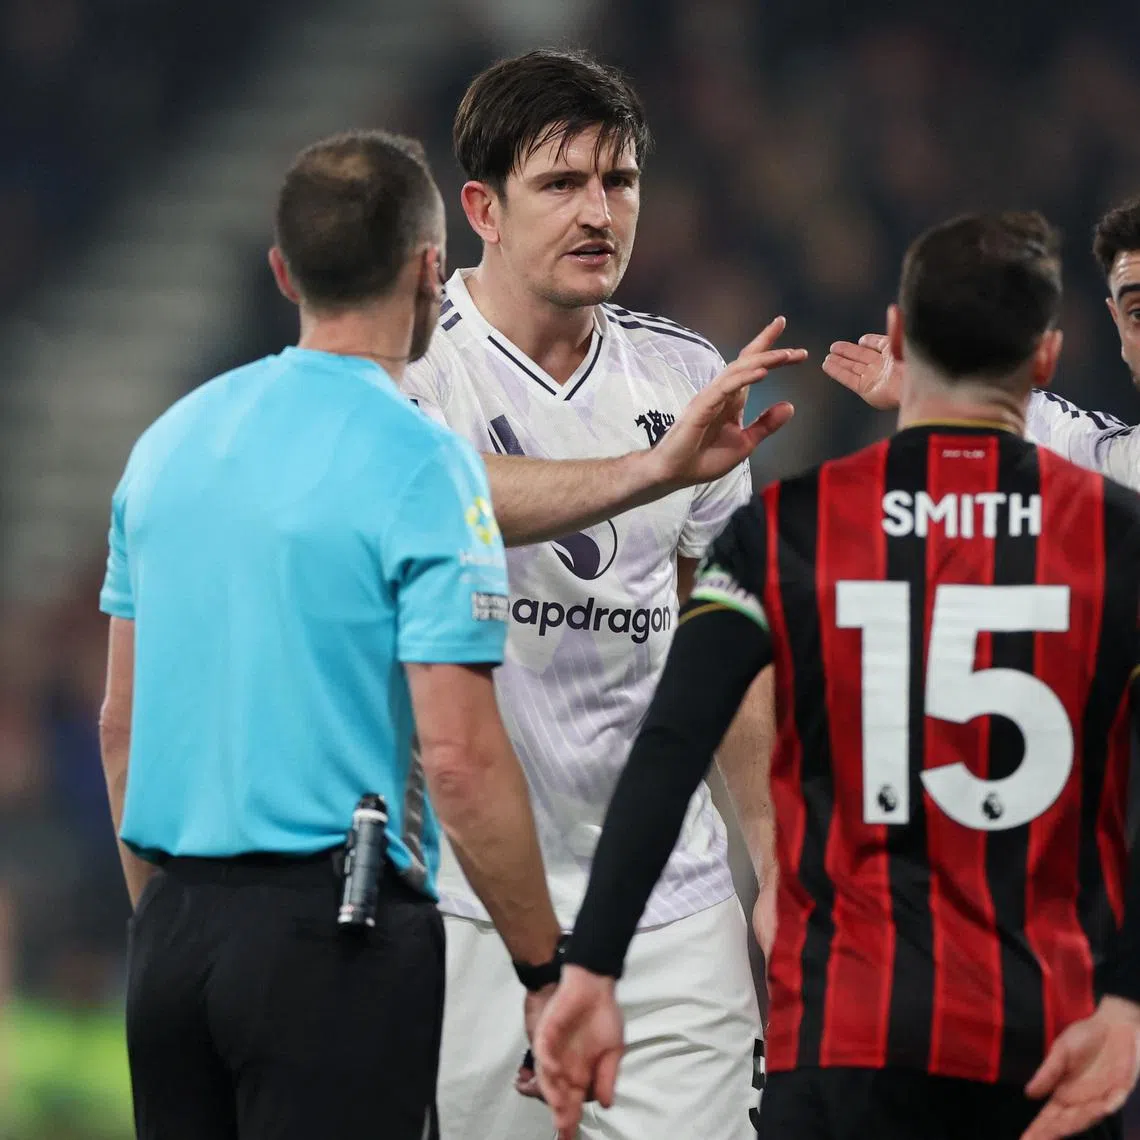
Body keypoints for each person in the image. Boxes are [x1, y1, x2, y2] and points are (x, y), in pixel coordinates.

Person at [535, 211, 1140, 1140]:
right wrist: (1130, 996)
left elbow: (671, 742)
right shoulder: (1120, 540)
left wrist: (591, 968)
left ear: (898, 340)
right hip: (1048, 1041)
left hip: (844, 1036)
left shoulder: (783, 533)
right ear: (1049, 360)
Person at [97, 129, 563, 1140]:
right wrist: (543, 969)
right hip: (331, 937)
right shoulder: (424, 466)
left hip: (172, 936)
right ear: (432, 268)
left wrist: (175, 921)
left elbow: (120, 729)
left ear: (283, 270)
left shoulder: (165, 448)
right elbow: (458, 757)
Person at [401, 48, 807, 1140]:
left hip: (668, 907)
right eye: (563, 184)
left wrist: (768, 855)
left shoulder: (681, 376)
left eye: (618, 183)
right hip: (474, 903)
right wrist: (650, 472)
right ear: (481, 205)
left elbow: (724, 639)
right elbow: (442, 497)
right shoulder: (412, 365)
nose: (599, 213)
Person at [823, 196, 1140, 491]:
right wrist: (940, 383)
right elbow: (1055, 438)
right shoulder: (1121, 466)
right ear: (1119, 324)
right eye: (1138, 313)